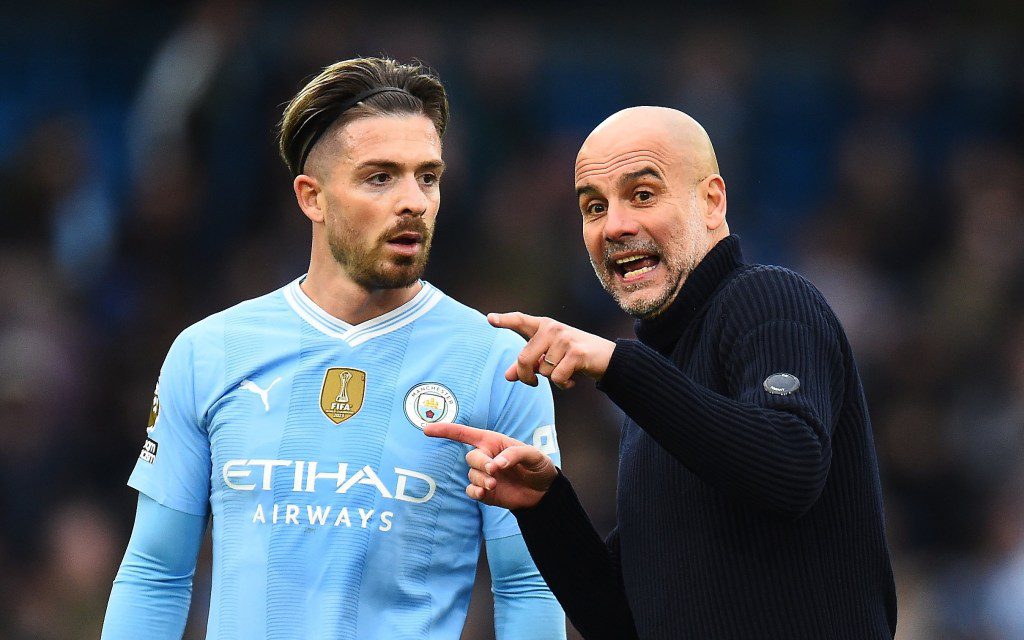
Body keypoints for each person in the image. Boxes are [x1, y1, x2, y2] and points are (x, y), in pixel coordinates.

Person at [101, 57, 566, 640]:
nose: (415, 201)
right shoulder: (210, 352)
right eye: (380, 177)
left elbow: (526, 585)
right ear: (311, 198)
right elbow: (156, 571)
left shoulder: (500, 364)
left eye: (428, 176)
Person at [425, 106, 898, 639]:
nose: (616, 226)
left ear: (713, 201)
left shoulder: (767, 299)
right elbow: (623, 621)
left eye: (643, 195)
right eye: (594, 207)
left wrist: (618, 364)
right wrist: (545, 505)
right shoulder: (659, 384)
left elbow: (790, 468)